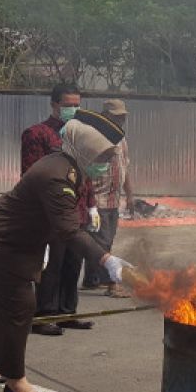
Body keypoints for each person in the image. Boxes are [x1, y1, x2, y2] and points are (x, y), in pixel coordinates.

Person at [0, 110, 132, 392]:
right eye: (101, 158)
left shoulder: (66, 164)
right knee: (20, 307)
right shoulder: (58, 175)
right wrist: (106, 260)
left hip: (2, 237)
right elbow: (68, 231)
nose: (103, 165)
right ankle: (16, 384)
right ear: (86, 150)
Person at [21, 83, 98, 335]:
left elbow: (86, 174)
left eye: (77, 105)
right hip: (50, 214)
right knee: (50, 266)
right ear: (54, 104)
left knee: (72, 264)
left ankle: (67, 312)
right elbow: (32, 175)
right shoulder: (38, 134)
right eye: (67, 105)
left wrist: (92, 206)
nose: (73, 109)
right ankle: (44, 315)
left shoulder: (79, 136)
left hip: (76, 213)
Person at [82, 99, 135, 296]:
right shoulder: (92, 138)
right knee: (103, 241)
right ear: (106, 116)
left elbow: (125, 167)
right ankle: (111, 283)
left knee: (104, 239)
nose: (121, 120)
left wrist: (129, 195)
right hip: (98, 198)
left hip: (114, 199)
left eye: (123, 117)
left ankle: (91, 278)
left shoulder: (121, 140)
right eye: (117, 117)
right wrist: (89, 201)